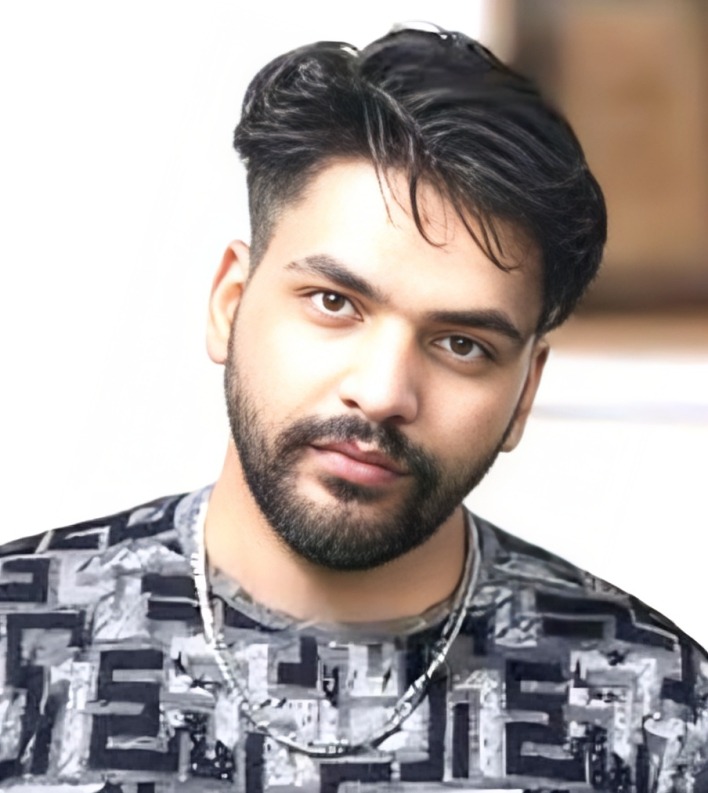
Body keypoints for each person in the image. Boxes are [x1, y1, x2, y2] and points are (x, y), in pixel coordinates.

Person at [0, 23, 705, 793]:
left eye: (462, 344)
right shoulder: (14, 638)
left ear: (525, 392)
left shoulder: (659, 712)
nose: (382, 391)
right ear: (230, 303)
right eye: (334, 302)